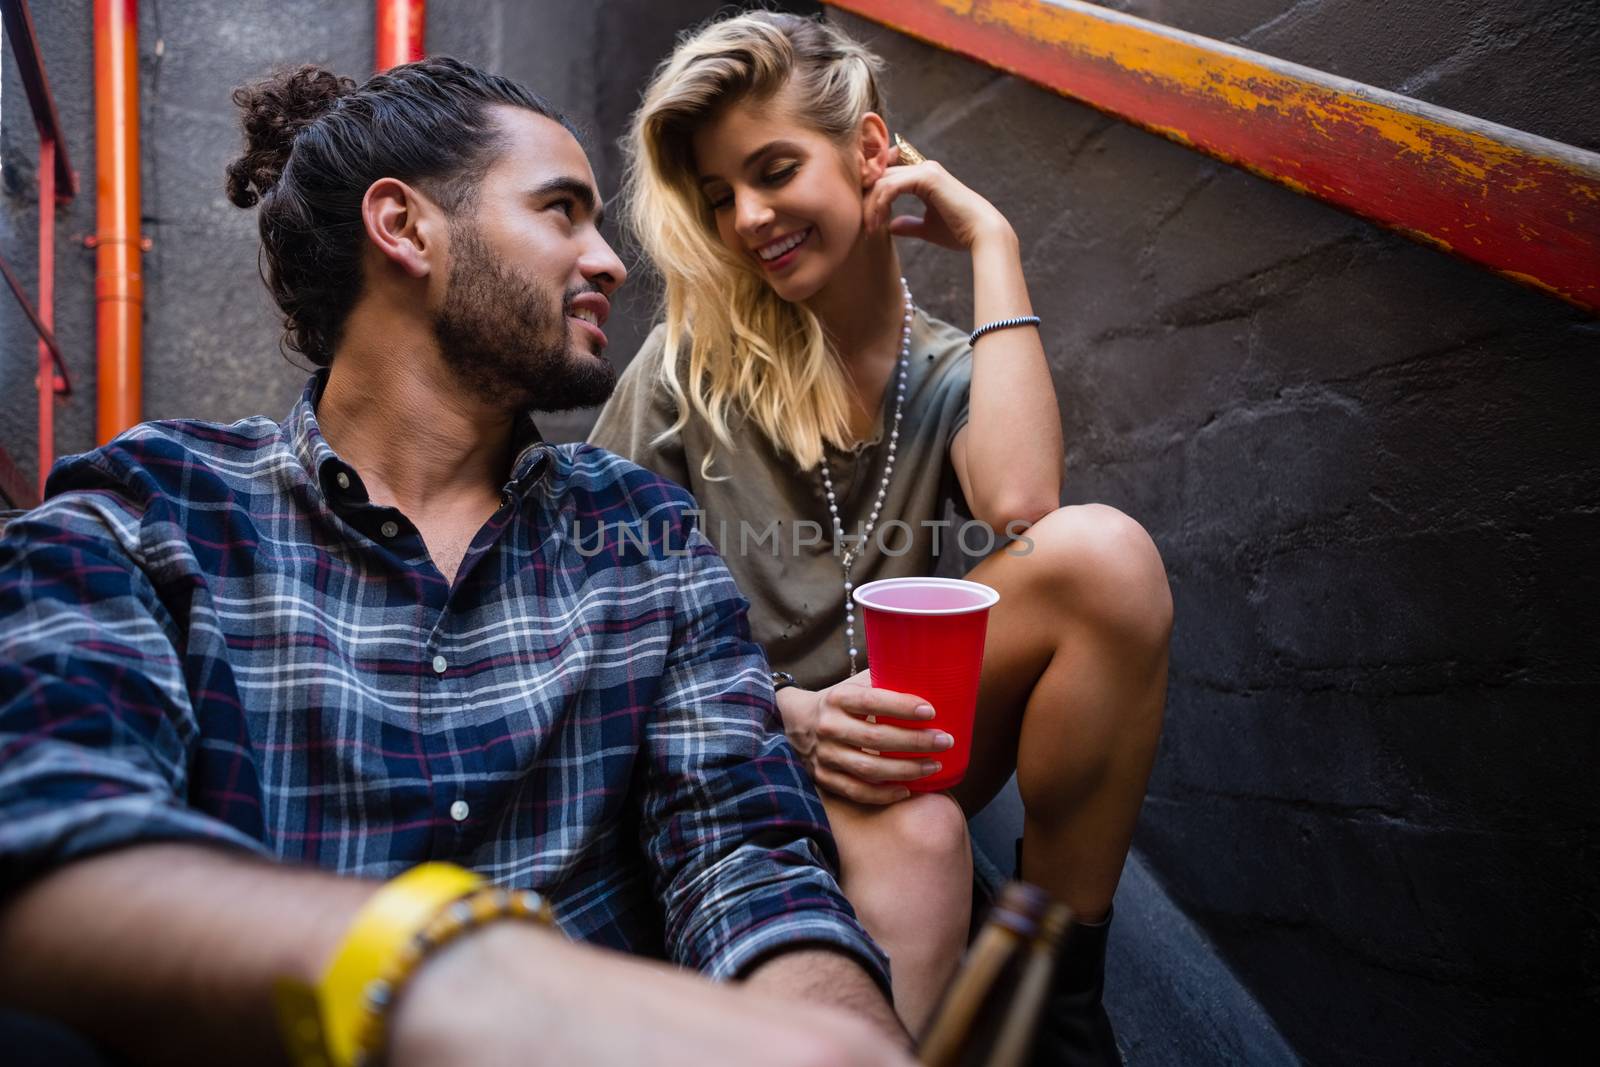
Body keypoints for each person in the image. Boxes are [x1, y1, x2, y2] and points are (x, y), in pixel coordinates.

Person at [0, 58, 916, 1067]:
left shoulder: (643, 533)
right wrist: (462, 977)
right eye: (561, 210)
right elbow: (48, 824)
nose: (608, 260)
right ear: (404, 226)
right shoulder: (151, 511)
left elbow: (742, 851)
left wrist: (839, 1031)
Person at [589, 12, 1174, 1057]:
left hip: (903, 738)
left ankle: (1055, 996)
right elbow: (593, 608)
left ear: (869, 152)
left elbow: (1022, 509)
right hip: (744, 744)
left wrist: (993, 241)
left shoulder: (946, 369)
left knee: (1103, 556)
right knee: (927, 837)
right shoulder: (683, 370)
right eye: (721, 196)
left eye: (774, 170)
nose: (750, 217)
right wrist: (787, 711)